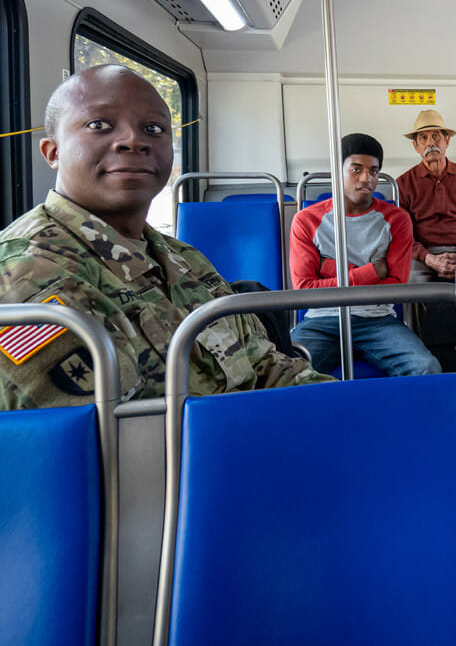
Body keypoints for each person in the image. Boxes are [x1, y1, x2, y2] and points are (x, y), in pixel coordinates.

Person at [0, 65, 330, 410]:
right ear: (52, 151)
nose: (133, 140)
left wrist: (340, 410)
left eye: (153, 129)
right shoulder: (23, 275)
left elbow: (264, 363)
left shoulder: (183, 258)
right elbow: (100, 445)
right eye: (99, 125)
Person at [289, 133, 441, 377]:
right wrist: (371, 271)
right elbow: (306, 289)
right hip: (322, 322)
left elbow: (396, 286)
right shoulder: (307, 220)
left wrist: (329, 268)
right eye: (356, 170)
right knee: (284, 374)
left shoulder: (396, 220)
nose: (366, 179)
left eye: (373, 172)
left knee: (426, 368)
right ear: (337, 170)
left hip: (377, 320)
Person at [396, 109, 456, 281]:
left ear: (446, 140)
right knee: (411, 279)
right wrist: (429, 258)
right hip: (424, 254)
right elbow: (401, 235)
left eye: (435, 136)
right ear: (416, 146)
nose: (429, 143)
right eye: (423, 138)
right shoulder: (403, 184)